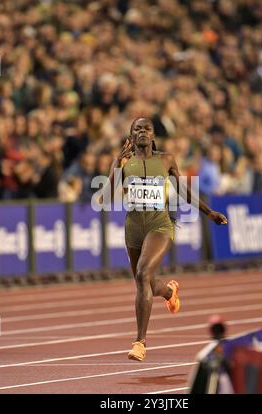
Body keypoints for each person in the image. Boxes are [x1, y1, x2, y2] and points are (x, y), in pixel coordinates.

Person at [101, 117, 228, 361]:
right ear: (131, 135)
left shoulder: (166, 159)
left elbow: (182, 190)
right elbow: (105, 197)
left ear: (153, 135)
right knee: (144, 282)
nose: (142, 132)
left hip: (161, 224)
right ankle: (169, 292)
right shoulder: (124, 161)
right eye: (137, 129)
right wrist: (116, 163)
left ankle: (140, 342)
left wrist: (209, 212)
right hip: (134, 227)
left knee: (142, 274)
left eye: (146, 129)